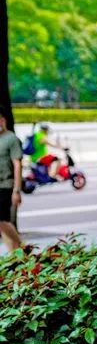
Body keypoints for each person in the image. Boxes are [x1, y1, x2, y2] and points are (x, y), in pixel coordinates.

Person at [0, 106, 23, 251]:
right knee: (3, 225)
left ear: (2, 120)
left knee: (3, 220)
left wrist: (17, 190)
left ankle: (22, 247)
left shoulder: (11, 139)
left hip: (6, 185)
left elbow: (17, 165)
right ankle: (14, 255)